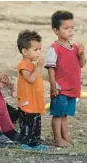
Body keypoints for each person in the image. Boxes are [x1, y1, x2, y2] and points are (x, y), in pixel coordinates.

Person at [45, 10, 86, 147]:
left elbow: (81, 65)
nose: (70, 31)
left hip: (71, 88)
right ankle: (57, 138)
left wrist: (81, 54)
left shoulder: (74, 47)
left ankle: (65, 135)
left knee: (65, 114)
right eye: (66, 28)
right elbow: (51, 68)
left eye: (72, 28)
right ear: (56, 30)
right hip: (60, 87)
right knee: (58, 114)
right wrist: (53, 85)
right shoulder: (54, 48)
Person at [16, 29, 48, 151]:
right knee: (29, 123)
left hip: (34, 100)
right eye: (35, 50)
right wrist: (39, 67)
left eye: (40, 49)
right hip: (28, 102)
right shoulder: (23, 65)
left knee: (36, 122)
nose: (39, 53)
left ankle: (35, 142)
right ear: (25, 51)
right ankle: (28, 143)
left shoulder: (32, 65)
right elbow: (30, 79)